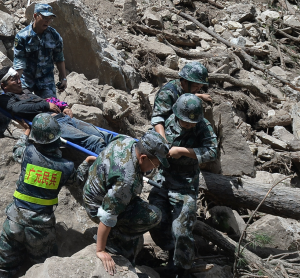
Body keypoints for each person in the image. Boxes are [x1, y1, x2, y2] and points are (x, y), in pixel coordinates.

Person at [0, 113, 91, 278]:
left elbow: (17, 150)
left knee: (0, 267)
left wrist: (26, 133)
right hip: (41, 227)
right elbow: (77, 181)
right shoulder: (66, 167)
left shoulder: (28, 153)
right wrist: (85, 164)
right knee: (44, 266)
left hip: (15, 220)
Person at [83, 130, 169, 275]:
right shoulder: (126, 181)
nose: (156, 168)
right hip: (97, 205)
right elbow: (107, 215)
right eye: (155, 164)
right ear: (143, 157)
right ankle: (113, 239)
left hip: (93, 189)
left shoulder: (128, 141)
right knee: (154, 215)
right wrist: (101, 249)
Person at [148, 94, 218, 275]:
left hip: (185, 184)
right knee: (155, 219)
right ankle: (172, 252)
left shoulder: (203, 126)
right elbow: (151, 139)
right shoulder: (169, 122)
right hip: (163, 179)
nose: (189, 126)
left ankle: (182, 267)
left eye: (192, 123)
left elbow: (212, 152)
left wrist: (183, 151)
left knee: (181, 228)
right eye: (185, 123)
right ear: (177, 116)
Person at [0, 66, 117, 155]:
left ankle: (129, 150)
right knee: (93, 141)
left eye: (18, 77)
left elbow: (48, 100)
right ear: (4, 85)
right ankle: (114, 163)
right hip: (51, 125)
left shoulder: (26, 91)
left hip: (64, 118)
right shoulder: (4, 98)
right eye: (14, 79)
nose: (19, 82)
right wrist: (45, 106)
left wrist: (64, 106)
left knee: (104, 135)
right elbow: (17, 109)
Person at [13, 3, 67, 99]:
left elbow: (59, 58)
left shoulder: (54, 36)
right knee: (24, 104)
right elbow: (19, 62)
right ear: (35, 16)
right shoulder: (22, 36)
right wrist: (16, 82)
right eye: (45, 18)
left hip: (46, 79)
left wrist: (63, 78)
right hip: (26, 78)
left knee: (51, 106)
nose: (48, 21)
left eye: (50, 18)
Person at [151, 62, 212, 136]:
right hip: (169, 129)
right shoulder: (166, 93)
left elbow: (185, 94)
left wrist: (200, 95)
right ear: (186, 81)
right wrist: (163, 141)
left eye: (200, 87)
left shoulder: (185, 87)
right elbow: (158, 119)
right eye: (196, 86)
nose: (198, 89)